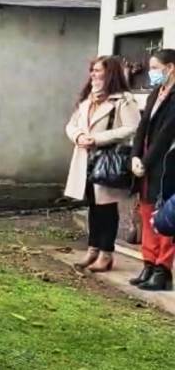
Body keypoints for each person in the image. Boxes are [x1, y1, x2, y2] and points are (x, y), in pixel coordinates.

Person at [64, 56, 140, 272]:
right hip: (84, 159)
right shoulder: (87, 98)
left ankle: (106, 253)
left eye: (98, 71)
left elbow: (132, 127)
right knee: (92, 207)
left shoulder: (123, 100)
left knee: (106, 209)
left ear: (110, 74)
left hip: (106, 160)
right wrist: (79, 136)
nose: (93, 75)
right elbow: (71, 124)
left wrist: (98, 138)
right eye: (92, 70)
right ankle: (92, 250)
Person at [130, 48, 175, 291]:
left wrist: (145, 161)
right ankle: (148, 261)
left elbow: (166, 135)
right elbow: (142, 127)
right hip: (146, 163)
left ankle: (163, 269)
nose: (151, 73)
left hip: (166, 164)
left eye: (156, 68)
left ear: (170, 68)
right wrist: (135, 156)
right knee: (146, 212)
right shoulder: (156, 93)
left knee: (164, 216)